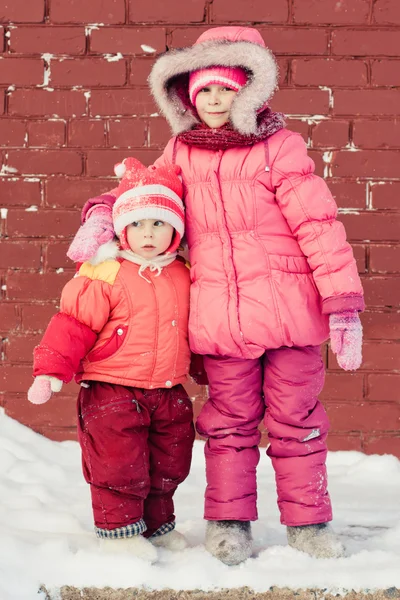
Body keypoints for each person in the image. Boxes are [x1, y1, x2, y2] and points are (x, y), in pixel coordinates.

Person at [67, 27, 364, 565]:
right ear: (186, 96)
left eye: (226, 89)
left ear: (251, 89)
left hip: (289, 314)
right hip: (221, 320)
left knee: (297, 422)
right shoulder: (182, 151)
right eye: (203, 91)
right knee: (228, 424)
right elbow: (145, 187)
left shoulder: (280, 147)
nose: (214, 101)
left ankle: (309, 523)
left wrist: (342, 304)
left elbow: (320, 226)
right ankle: (229, 522)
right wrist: (104, 212)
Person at [28, 158, 195, 562]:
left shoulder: (185, 272)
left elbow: (197, 329)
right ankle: (119, 534)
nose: (148, 234)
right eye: (137, 225)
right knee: (119, 466)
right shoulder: (104, 272)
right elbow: (73, 324)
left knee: (169, 463)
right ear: (121, 229)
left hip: (168, 391)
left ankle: (156, 527)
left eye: (158, 223)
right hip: (112, 390)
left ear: (175, 229)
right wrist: (51, 371)